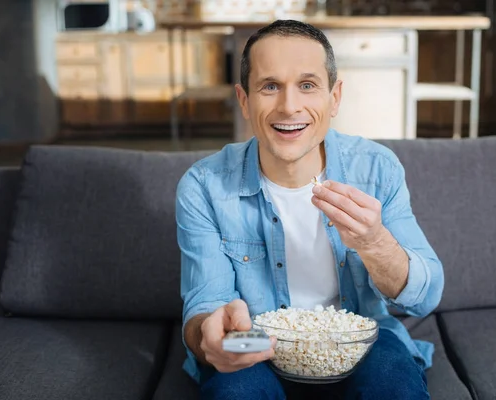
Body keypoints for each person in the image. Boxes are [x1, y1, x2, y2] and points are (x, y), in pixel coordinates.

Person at [176, 19, 444, 400]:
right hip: (255, 338)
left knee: (395, 387)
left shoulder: (376, 169)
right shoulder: (202, 186)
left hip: (359, 335)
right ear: (244, 100)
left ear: (334, 98)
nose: (289, 107)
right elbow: (205, 303)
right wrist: (211, 336)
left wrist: (376, 243)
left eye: (307, 85)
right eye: (270, 86)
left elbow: (427, 296)